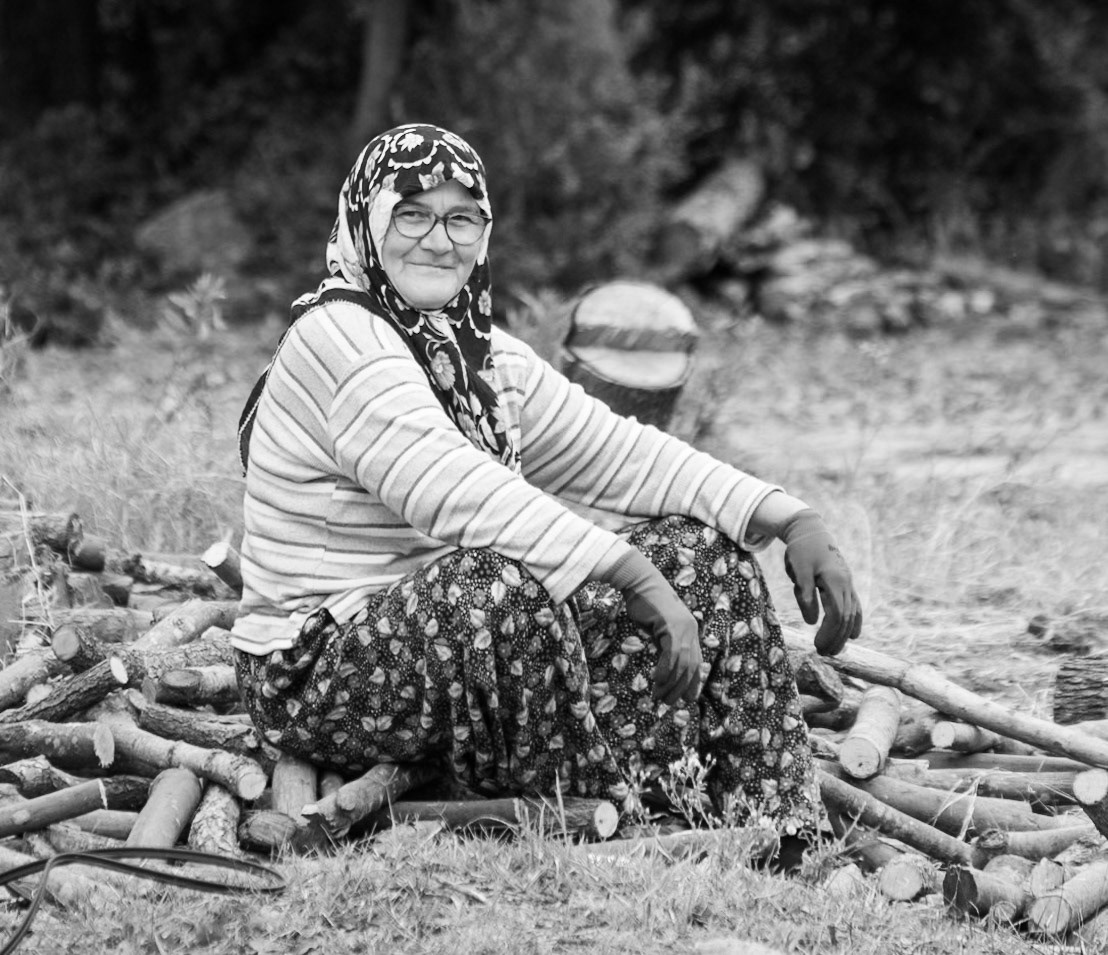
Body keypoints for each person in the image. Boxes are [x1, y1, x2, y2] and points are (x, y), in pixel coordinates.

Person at [231, 123, 862, 834]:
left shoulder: (476, 354)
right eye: (412, 213)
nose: (439, 240)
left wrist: (788, 518)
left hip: (465, 658)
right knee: (492, 581)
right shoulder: (337, 337)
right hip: (319, 673)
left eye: (461, 217)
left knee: (703, 556)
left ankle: (777, 823)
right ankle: (612, 814)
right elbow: (454, 487)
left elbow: (622, 452)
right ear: (366, 219)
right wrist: (630, 575)